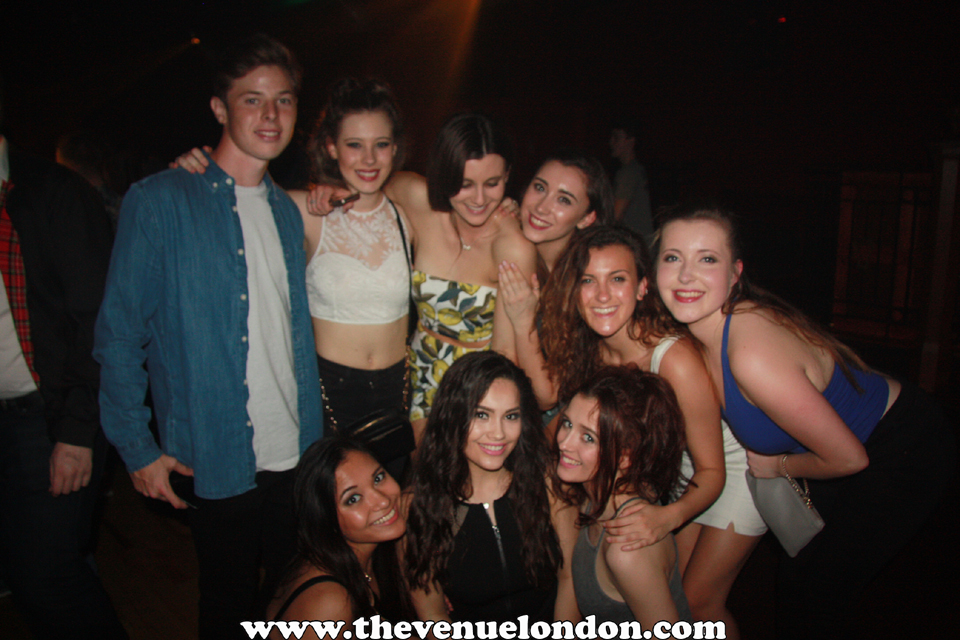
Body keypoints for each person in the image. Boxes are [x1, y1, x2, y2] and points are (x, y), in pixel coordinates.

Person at [94, 35, 322, 639]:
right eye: (252, 100)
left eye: (284, 100)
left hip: (296, 446)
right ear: (219, 108)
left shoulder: (286, 211)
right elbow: (119, 335)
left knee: (294, 595)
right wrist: (137, 448)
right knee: (227, 602)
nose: (270, 115)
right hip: (215, 452)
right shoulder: (160, 201)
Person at [654, 206, 956, 640]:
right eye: (672, 257)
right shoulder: (703, 335)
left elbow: (849, 458)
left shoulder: (750, 354)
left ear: (735, 273)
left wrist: (778, 466)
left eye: (707, 258)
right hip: (847, 446)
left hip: (901, 447)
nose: (686, 275)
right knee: (801, 581)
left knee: (815, 594)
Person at [172, 78, 414, 478]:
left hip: (396, 392)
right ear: (332, 147)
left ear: (395, 147)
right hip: (329, 392)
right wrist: (195, 169)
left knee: (391, 503)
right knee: (331, 506)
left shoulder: (407, 210)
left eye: (381, 144)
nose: (369, 158)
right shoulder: (304, 209)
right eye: (354, 144)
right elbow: (236, 199)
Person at [539, 225, 764, 638]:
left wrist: (667, 516)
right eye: (588, 280)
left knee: (700, 602)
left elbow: (711, 470)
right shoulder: (594, 349)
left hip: (726, 471)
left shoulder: (673, 359)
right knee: (665, 594)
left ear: (643, 287)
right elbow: (562, 422)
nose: (601, 295)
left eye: (617, 279)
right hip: (668, 468)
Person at [0, 97, 126, 639]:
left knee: (46, 575)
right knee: (32, 566)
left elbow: (99, 321)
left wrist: (77, 432)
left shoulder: (51, 190)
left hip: (46, 419)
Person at [388, 113, 537, 440]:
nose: (479, 200)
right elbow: (370, 179)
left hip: (472, 384)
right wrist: (330, 187)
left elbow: (505, 354)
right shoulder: (418, 201)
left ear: (508, 176)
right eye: (465, 183)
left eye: (492, 183)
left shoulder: (512, 247)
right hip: (414, 371)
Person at [403, 351, 579, 625]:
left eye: (511, 416)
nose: (498, 433)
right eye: (482, 415)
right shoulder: (421, 506)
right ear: (452, 416)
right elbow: (433, 616)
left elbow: (570, 579)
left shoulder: (548, 482)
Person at [556, 366, 692, 627]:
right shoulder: (595, 495)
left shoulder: (627, 551)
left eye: (588, 437)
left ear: (626, 456)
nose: (564, 443)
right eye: (567, 424)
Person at [498, 150, 614, 408]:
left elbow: (547, 397)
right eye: (540, 188)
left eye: (564, 200)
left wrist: (523, 322)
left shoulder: (585, 282)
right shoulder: (506, 245)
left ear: (587, 218)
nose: (541, 207)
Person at [266, 436, 413, 638]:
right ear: (325, 518)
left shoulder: (371, 551)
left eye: (378, 478)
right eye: (353, 499)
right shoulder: (328, 603)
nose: (382, 501)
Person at [609, 120, 654, 239]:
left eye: (616, 138)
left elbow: (615, 216)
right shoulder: (637, 169)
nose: (611, 142)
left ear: (631, 141)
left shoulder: (628, 172)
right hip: (643, 241)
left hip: (637, 243)